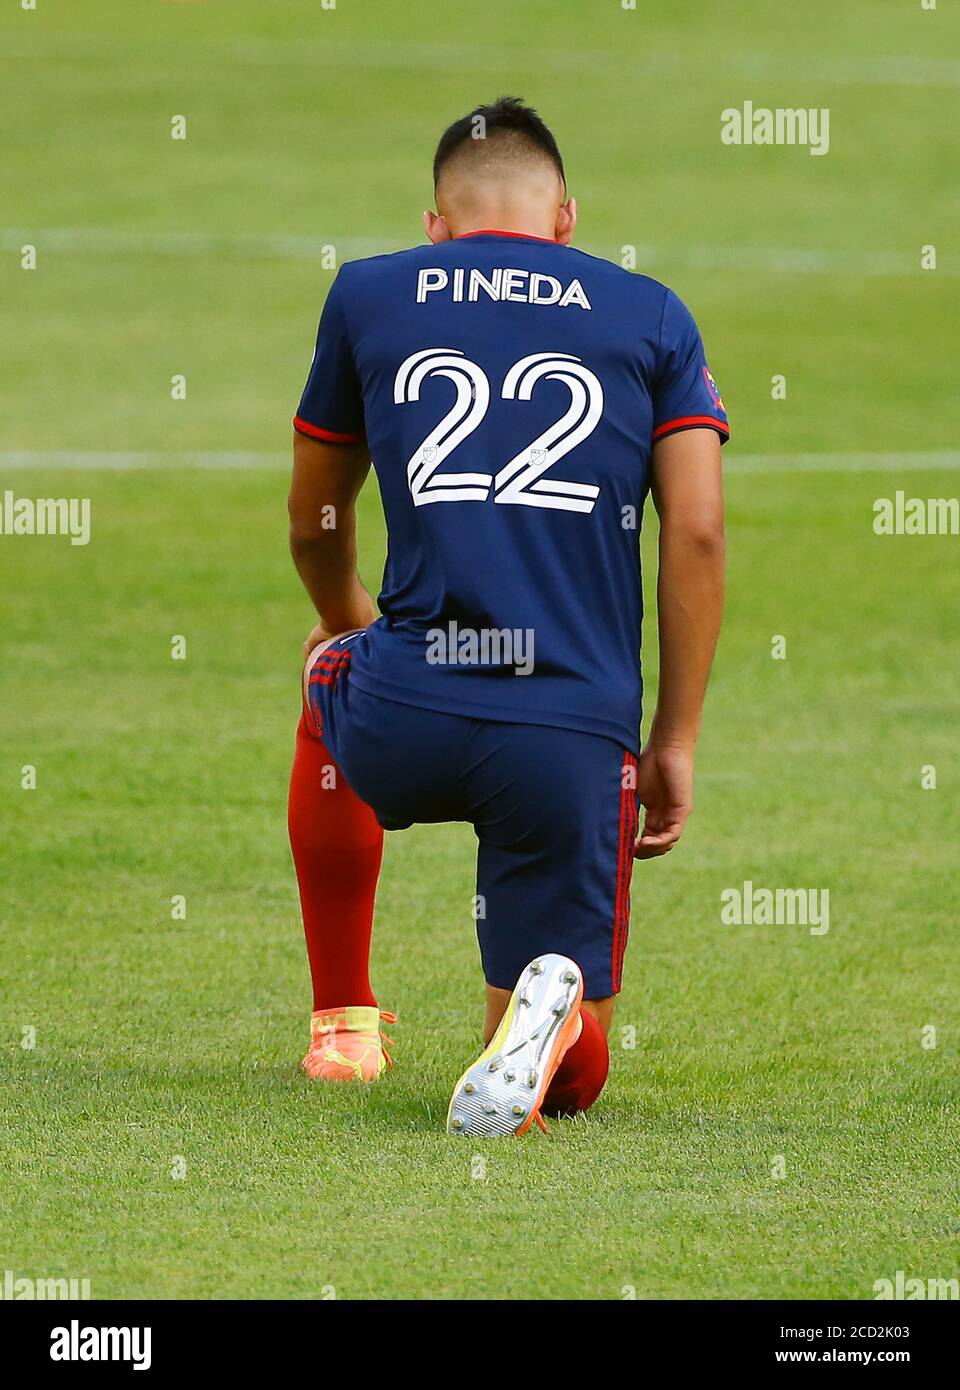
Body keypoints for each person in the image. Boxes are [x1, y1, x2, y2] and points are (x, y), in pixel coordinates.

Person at [287, 97, 727, 1136]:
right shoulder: (650, 312)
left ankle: (343, 1025)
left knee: (323, 687)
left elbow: (314, 518)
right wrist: (673, 738)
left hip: (409, 695)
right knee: (567, 1085)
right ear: (567, 217)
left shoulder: (370, 292)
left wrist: (345, 620)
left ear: (437, 223)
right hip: (572, 732)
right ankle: (541, 1032)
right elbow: (698, 535)